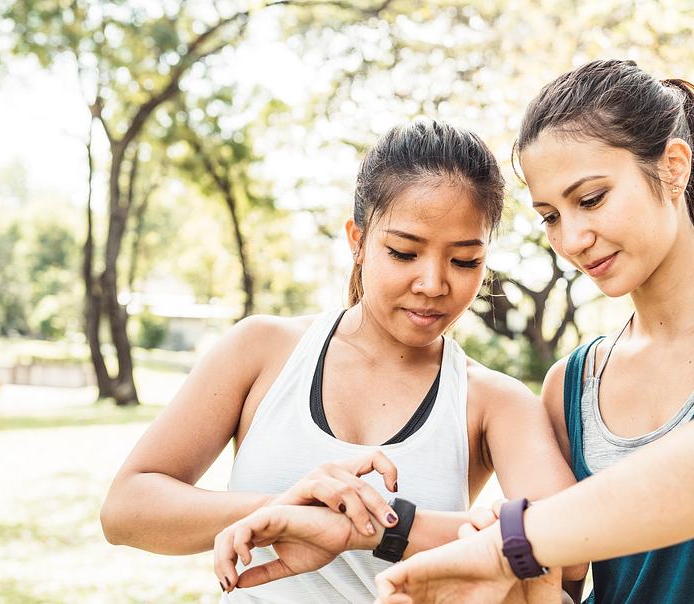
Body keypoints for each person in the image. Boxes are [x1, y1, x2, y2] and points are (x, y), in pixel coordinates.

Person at [362, 58, 694, 602]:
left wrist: (508, 543)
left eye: (592, 199)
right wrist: (371, 527)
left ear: (673, 166)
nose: (572, 238)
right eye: (550, 216)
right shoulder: (571, 385)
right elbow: (554, 574)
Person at [100, 120, 584, 603]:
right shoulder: (262, 349)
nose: (434, 284)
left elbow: (570, 553)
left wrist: (378, 526)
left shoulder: (493, 401)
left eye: (464, 261)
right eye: (403, 252)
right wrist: (287, 510)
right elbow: (126, 508)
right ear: (357, 240)